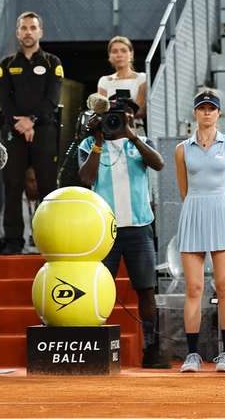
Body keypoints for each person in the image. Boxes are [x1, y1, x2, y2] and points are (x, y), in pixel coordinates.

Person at [77, 93, 169, 369]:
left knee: (146, 289)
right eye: (113, 115)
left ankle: (151, 348)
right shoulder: (90, 144)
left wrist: (131, 135)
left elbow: (158, 164)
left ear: (133, 118)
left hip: (139, 227)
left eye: (124, 115)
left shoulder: (139, 144)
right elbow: (85, 178)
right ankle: (94, 348)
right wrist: (98, 141)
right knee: (99, 287)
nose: (117, 119)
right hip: (104, 229)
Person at [174, 90, 225, 373]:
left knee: (224, 286)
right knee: (193, 288)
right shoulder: (182, 149)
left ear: (218, 113)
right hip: (192, 213)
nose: (206, 113)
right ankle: (192, 355)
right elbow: (183, 189)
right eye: (202, 108)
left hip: (222, 214)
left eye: (211, 108)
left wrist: (222, 209)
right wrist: (197, 206)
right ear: (195, 112)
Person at [0, 11, 63, 254]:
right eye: (23, 28)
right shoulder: (6, 65)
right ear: (17, 32)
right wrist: (21, 123)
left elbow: (52, 99)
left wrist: (32, 120)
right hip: (14, 131)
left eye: (32, 28)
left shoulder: (52, 63)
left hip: (43, 131)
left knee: (47, 186)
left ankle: (50, 241)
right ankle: (14, 242)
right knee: (12, 185)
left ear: (40, 32)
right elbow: (5, 100)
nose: (28, 32)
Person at [97, 36, 147, 120]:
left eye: (123, 51)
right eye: (114, 51)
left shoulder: (142, 78)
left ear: (131, 54)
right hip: (110, 128)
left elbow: (140, 112)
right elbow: (101, 111)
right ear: (110, 56)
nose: (119, 55)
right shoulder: (104, 81)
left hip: (134, 128)